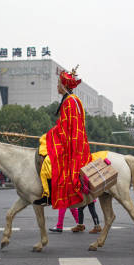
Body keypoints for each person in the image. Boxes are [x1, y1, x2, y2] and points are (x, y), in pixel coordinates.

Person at [33, 66, 91, 210]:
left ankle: (48, 195)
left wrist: (51, 133)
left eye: (59, 84)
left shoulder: (69, 101)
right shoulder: (73, 99)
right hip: (74, 140)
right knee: (44, 142)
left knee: (47, 163)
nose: (57, 86)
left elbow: (66, 127)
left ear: (64, 86)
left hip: (70, 144)